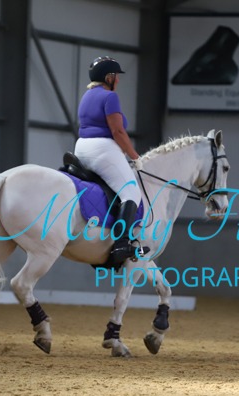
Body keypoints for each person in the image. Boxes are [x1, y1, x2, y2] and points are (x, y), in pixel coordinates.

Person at [74, 56, 148, 268]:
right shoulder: (110, 97)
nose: (118, 80)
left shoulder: (87, 95)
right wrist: (134, 156)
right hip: (102, 149)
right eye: (116, 76)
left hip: (81, 147)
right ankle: (122, 244)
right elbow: (118, 131)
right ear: (109, 77)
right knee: (131, 192)